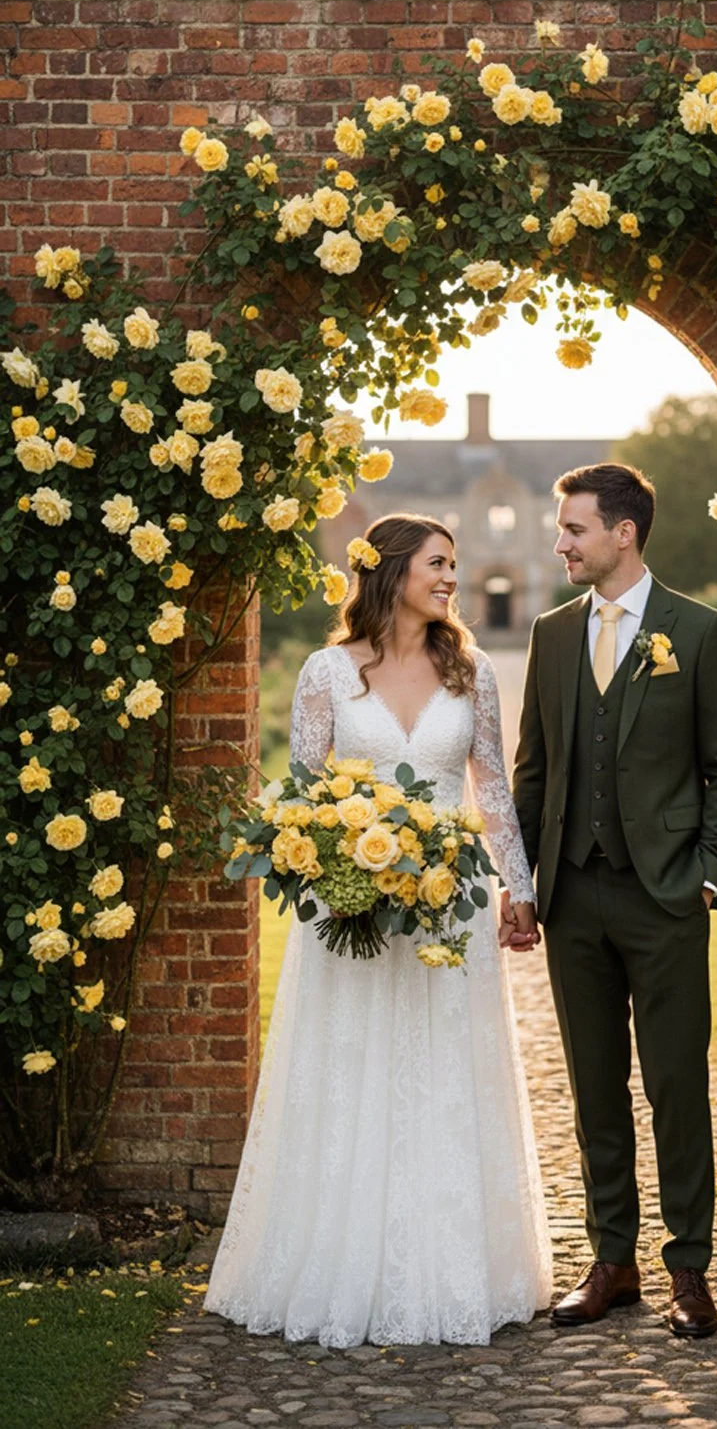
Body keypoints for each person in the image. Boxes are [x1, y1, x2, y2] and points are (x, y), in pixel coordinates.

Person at [206, 514, 552, 1347]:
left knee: (444, 1072)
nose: (450, 579)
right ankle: (335, 1261)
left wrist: (520, 889)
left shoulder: (472, 674)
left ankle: (452, 1267)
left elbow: (493, 792)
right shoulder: (328, 672)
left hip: (451, 907)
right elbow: (305, 798)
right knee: (349, 1070)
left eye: (455, 566)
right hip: (347, 911)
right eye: (438, 564)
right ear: (392, 571)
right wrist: (338, 871)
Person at [509, 463, 717, 1338]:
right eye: (561, 527)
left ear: (624, 532)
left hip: (669, 897)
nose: (561, 542)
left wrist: (711, 872)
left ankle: (689, 1269)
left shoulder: (701, 629)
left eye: (574, 528)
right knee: (594, 1088)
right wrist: (524, 887)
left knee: (679, 1085)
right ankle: (613, 1261)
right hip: (575, 894)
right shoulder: (552, 633)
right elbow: (532, 773)